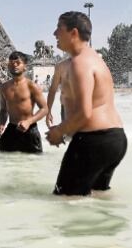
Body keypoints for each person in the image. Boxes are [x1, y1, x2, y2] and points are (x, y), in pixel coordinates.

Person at [45, 11, 126, 196]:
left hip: (93, 141)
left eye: (59, 28)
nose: (54, 33)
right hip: (116, 139)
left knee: (65, 200)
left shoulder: (79, 63)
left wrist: (59, 131)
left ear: (73, 33)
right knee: (96, 199)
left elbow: (84, 113)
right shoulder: (96, 60)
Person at [0, 52, 48, 153]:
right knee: (3, 160)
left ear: (25, 67)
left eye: (18, 63)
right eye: (11, 63)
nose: (14, 65)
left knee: (33, 163)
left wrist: (29, 122)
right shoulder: (3, 88)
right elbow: (3, 110)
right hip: (11, 129)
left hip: (30, 129)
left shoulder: (32, 86)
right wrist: (1, 124)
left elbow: (44, 109)